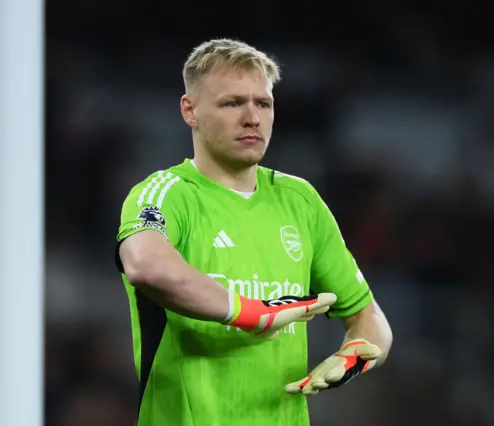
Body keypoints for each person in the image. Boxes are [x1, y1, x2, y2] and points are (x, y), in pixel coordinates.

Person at [114, 38, 393, 426]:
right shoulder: (168, 193)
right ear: (190, 111)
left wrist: (358, 351)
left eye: (263, 103)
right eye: (232, 103)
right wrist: (254, 314)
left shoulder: (300, 201)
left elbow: (369, 318)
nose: (252, 118)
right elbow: (144, 264)